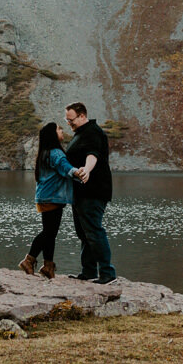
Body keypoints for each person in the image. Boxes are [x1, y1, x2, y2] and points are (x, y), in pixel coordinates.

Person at [19, 121, 81, 279]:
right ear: (53, 134)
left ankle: (48, 266)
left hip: (45, 197)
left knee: (50, 232)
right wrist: (80, 173)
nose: (62, 131)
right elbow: (66, 168)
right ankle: (29, 260)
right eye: (59, 129)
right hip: (52, 198)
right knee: (49, 232)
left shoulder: (45, 152)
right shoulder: (56, 153)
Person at [62, 102, 115, 283]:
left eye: (71, 120)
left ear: (82, 116)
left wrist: (86, 169)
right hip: (80, 192)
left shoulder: (93, 132)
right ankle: (89, 272)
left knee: (94, 231)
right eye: (67, 121)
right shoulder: (80, 133)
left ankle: (108, 274)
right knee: (83, 233)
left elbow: (92, 155)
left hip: (93, 190)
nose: (69, 124)